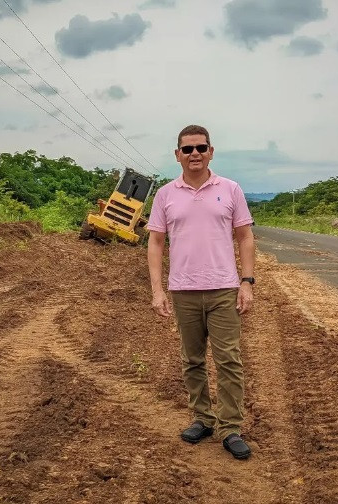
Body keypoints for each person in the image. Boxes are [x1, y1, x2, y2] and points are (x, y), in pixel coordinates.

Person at [146, 124, 256, 460]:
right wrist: (157, 290)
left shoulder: (231, 189)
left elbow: (245, 237)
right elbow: (155, 242)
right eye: (188, 149)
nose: (195, 154)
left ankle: (231, 427)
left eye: (201, 148)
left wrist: (247, 282)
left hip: (224, 288)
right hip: (184, 291)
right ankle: (203, 418)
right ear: (177, 155)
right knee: (192, 360)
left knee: (228, 360)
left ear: (211, 151)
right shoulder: (166, 195)